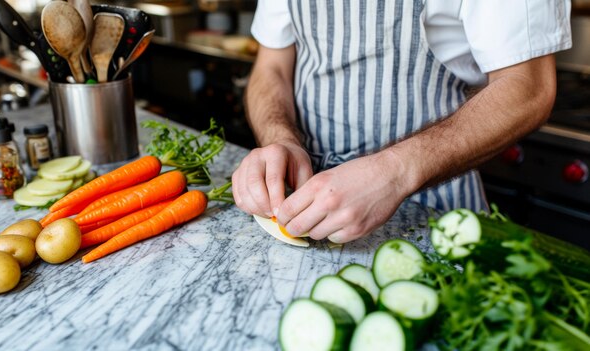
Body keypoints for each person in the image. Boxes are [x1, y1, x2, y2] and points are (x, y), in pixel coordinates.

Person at [232, 0, 572, 244]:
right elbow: (272, 64)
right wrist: (281, 139)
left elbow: (529, 87)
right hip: (303, 199)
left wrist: (393, 173)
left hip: (433, 213)